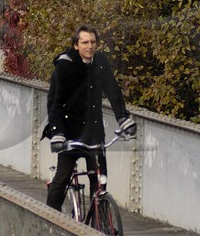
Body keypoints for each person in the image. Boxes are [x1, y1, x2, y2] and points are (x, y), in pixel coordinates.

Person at [44, 24, 136, 212]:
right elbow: (55, 103)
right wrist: (57, 133)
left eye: (93, 42)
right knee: (62, 177)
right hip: (69, 131)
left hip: (93, 132)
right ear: (76, 45)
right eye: (85, 42)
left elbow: (113, 91)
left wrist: (123, 118)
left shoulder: (100, 62)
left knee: (100, 181)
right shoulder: (64, 65)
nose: (90, 46)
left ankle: (101, 224)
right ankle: (49, 219)